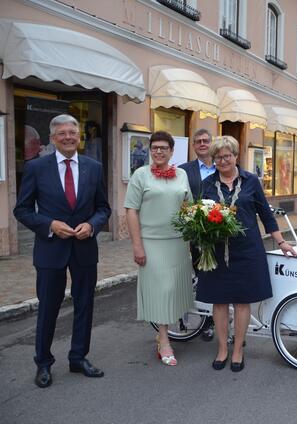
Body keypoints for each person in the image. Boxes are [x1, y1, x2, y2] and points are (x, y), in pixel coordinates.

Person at [13, 114, 111, 388]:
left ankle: (78, 358)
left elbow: (104, 208)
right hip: (50, 250)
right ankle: (43, 363)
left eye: (73, 132)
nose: (68, 137)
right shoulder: (37, 168)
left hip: (84, 249)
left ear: (79, 136)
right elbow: (21, 210)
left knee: (84, 306)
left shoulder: (94, 167)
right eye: (62, 133)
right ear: (53, 138)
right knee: (48, 308)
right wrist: (49, 224)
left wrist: (92, 225)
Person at [197, 135, 297, 372]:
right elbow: (201, 216)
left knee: (243, 301)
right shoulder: (208, 185)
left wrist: (281, 241)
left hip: (247, 249)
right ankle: (222, 348)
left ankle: (239, 349)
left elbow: (265, 215)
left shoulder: (251, 181)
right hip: (217, 250)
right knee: (219, 302)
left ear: (235, 156)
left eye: (227, 156)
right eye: (218, 157)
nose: (223, 160)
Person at [124, 131, 193, 367]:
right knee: (162, 290)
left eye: (164, 147)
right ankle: (164, 340)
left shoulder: (181, 174)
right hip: (152, 242)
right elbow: (131, 210)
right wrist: (137, 245)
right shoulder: (140, 175)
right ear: (150, 150)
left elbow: (189, 208)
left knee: (175, 289)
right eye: (155, 147)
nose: (159, 151)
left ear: (172, 151)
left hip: (178, 242)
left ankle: (167, 332)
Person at [179, 128, 217, 341]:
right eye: (198, 141)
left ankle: (223, 318)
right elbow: (180, 200)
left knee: (222, 277)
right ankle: (208, 322)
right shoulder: (184, 170)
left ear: (211, 144)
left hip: (222, 233)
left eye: (206, 140)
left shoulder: (223, 166)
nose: (202, 144)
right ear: (193, 146)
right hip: (196, 235)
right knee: (202, 277)